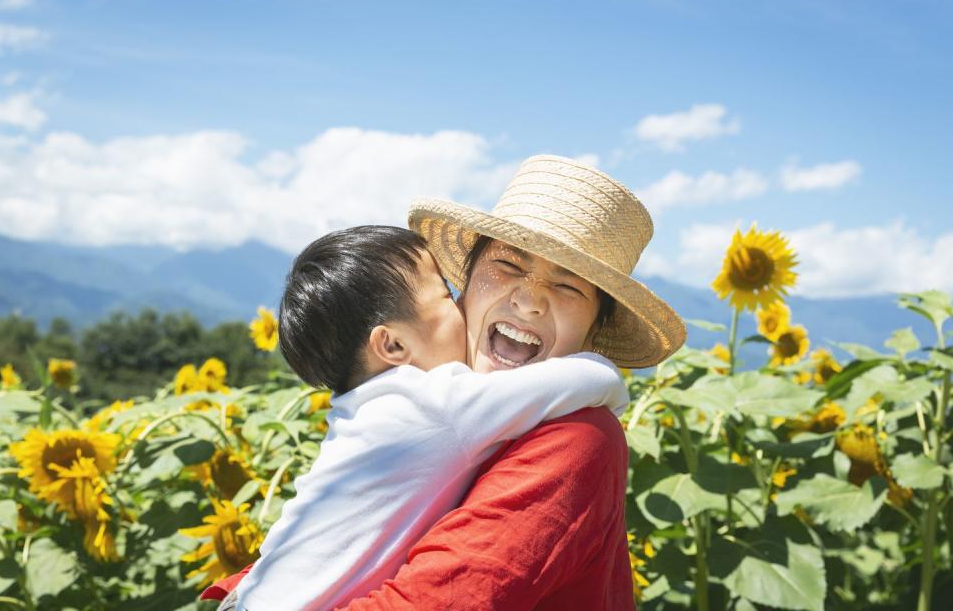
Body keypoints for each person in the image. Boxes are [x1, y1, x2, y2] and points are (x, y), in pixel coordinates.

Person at [206, 154, 685, 609]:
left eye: (566, 286)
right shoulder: (431, 401)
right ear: (467, 282)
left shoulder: (575, 440)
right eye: (508, 266)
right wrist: (606, 377)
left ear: (595, 329)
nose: (530, 301)